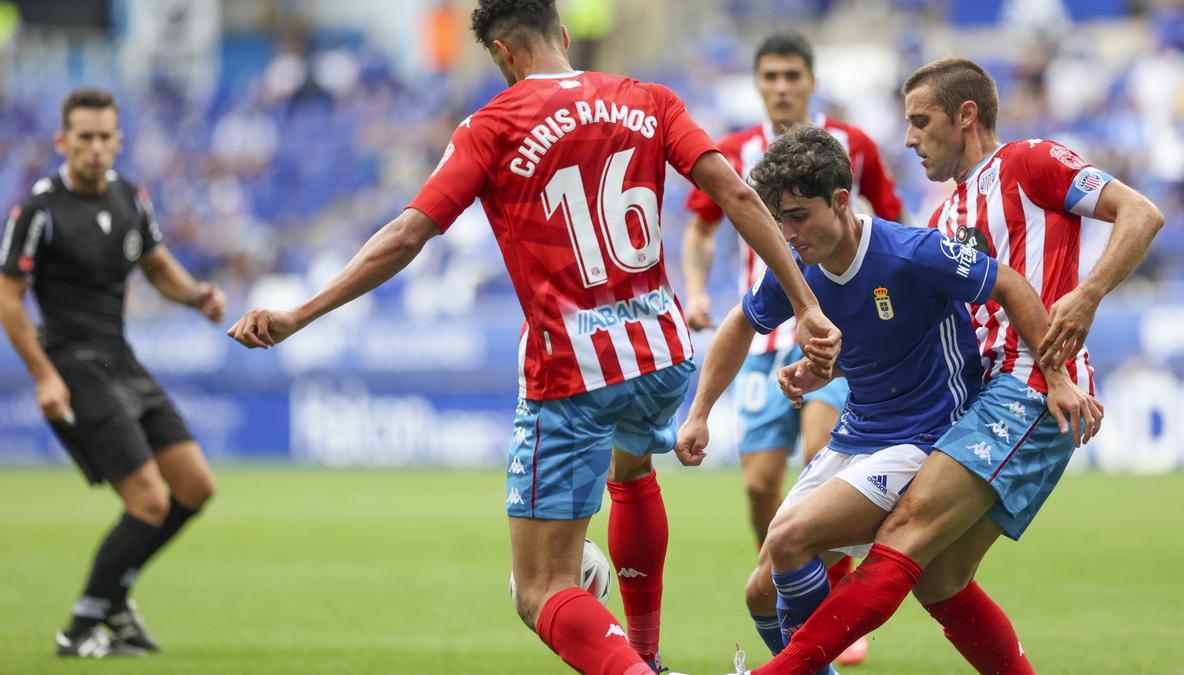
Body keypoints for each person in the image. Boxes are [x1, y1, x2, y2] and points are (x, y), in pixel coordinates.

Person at [226, 2, 839, 674]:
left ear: (505, 55)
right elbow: (739, 196)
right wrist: (805, 303)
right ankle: (645, 651)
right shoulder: (649, 99)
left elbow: (408, 234)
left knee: (541, 587)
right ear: (565, 36)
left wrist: (299, 312)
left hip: (572, 370)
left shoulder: (494, 124)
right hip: (661, 354)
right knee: (632, 468)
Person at [736, 58, 1162, 675]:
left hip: (1027, 384)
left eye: (920, 121)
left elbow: (1142, 213)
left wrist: (1087, 298)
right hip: (980, 393)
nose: (908, 138)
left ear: (965, 117)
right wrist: (824, 371)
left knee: (903, 533)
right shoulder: (945, 218)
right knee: (939, 582)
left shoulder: (1030, 161)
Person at [673, 125, 1091, 675]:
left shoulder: (911, 253)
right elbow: (738, 324)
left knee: (790, 536)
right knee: (760, 593)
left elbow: (1010, 284)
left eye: (799, 215)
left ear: (841, 200)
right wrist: (699, 413)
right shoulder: (797, 268)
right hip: (858, 435)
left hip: (926, 439)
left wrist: (1055, 373)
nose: (788, 232)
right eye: (779, 219)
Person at [679, 31, 905, 666]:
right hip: (763, 337)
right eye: (770, 77)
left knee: (819, 452)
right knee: (758, 487)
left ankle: (831, 606)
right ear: (758, 84)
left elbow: (892, 219)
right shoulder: (732, 151)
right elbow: (700, 232)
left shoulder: (852, 146)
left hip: (834, 333)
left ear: (811, 81)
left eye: (791, 77)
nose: (781, 88)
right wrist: (696, 288)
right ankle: (793, 591)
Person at [0, 88, 225, 658]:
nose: (96, 148)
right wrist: (44, 376)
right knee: (148, 502)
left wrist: (197, 295)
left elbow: (157, 265)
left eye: (105, 137)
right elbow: (8, 297)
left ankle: (116, 599)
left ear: (118, 141)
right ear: (62, 141)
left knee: (195, 486)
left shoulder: (130, 196)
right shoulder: (38, 209)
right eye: (85, 137)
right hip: (76, 364)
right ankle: (79, 629)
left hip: (121, 359)